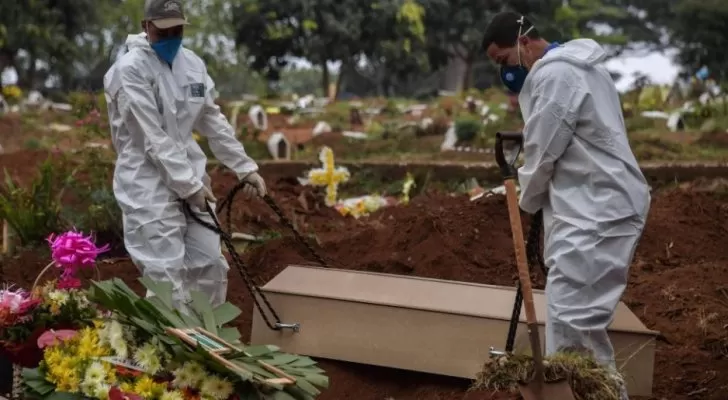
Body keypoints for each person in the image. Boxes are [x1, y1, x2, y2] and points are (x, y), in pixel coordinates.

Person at [481, 11, 651, 398]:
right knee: (572, 326)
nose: (505, 72)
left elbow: (542, 152)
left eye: (503, 60)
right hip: (594, 205)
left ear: (523, 43)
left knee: (574, 329)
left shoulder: (557, 74)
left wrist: (524, 196)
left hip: (597, 210)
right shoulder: (582, 67)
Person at [103, 0, 266, 310]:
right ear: (145, 27)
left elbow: (212, 120)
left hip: (191, 178)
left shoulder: (192, 65)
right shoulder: (129, 71)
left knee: (211, 266)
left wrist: (245, 168)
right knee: (166, 279)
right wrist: (187, 186)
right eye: (162, 32)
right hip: (147, 184)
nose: (170, 38)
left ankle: (209, 344)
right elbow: (151, 137)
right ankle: (172, 353)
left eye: (177, 30)